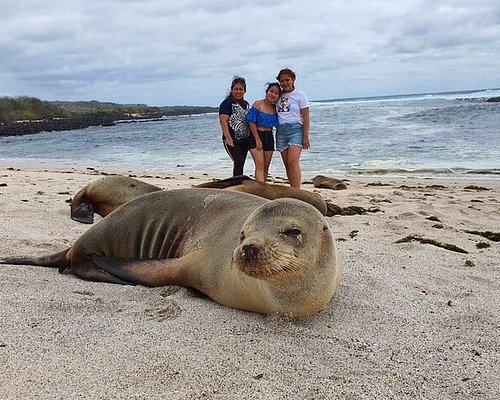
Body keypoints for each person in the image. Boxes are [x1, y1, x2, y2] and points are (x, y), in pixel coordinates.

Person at [275, 68, 310, 188]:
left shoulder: (300, 95)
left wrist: (306, 136)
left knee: (293, 162)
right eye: (282, 81)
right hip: (280, 131)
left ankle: (297, 191)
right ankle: (292, 190)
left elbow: (306, 117)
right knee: (287, 164)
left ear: (293, 80)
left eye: (287, 80)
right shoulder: (278, 95)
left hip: (296, 130)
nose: (284, 83)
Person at [245, 82, 281, 182]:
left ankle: (263, 189)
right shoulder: (258, 104)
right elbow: (251, 121)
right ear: (267, 91)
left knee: (266, 168)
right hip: (256, 135)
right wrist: (257, 139)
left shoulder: (275, 108)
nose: (273, 94)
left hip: (269, 136)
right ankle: (259, 191)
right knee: (259, 166)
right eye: (271, 91)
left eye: (276, 93)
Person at [218, 76, 251, 177]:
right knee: (238, 161)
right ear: (232, 90)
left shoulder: (246, 104)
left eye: (241, 89)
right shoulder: (226, 104)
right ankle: (236, 182)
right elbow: (223, 121)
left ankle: (238, 181)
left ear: (244, 91)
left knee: (241, 163)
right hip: (231, 140)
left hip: (244, 139)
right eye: (236, 89)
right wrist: (228, 138)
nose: (238, 91)